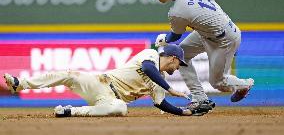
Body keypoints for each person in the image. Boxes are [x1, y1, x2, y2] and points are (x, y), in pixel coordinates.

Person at [3, 44, 208, 117]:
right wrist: (171, 88)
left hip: (110, 100)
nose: (177, 68)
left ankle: (68, 111)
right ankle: (20, 84)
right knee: (70, 74)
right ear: (172, 58)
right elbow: (147, 68)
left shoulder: (159, 80)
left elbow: (160, 103)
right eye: (178, 64)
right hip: (100, 83)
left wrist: (185, 112)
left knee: (120, 109)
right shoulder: (150, 55)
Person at [148, 0, 254, 111]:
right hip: (211, 32)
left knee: (217, 83)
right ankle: (199, 98)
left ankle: (243, 85)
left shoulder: (177, 12)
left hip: (223, 41)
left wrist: (164, 39)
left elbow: (175, 36)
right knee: (181, 55)